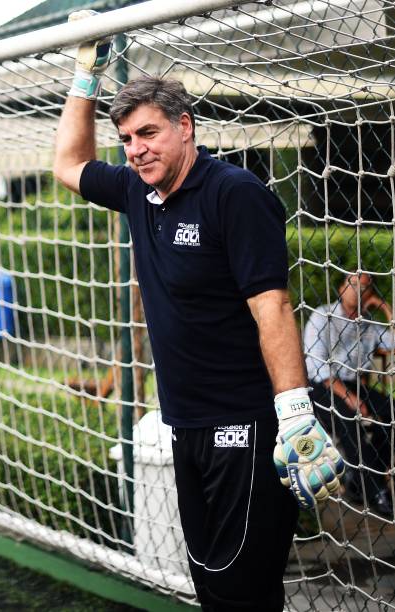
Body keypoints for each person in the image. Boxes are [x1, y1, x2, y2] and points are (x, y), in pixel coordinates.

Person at [52, 11, 344, 612]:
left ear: (186, 127)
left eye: (149, 133)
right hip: (186, 426)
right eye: (128, 138)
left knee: (240, 589)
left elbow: (274, 307)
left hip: (248, 425)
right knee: (213, 586)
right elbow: (68, 164)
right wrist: (85, 75)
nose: (136, 150)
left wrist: (293, 412)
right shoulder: (138, 189)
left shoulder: (234, 194)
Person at [303, 272, 394, 517]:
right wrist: (349, 398)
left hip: (354, 384)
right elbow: (318, 367)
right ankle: (376, 491)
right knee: (347, 418)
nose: (357, 290)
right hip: (321, 387)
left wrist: (385, 307)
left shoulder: (369, 325)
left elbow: (393, 342)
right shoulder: (323, 316)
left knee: (391, 411)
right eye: (352, 284)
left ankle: (361, 479)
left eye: (364, 287)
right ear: (342, 288)